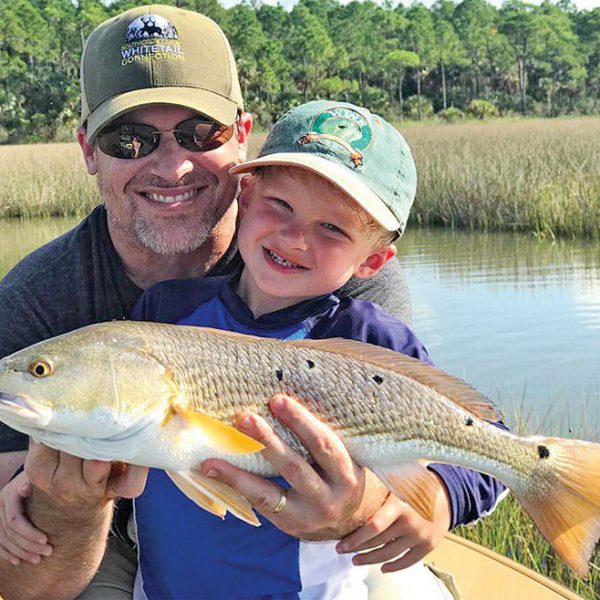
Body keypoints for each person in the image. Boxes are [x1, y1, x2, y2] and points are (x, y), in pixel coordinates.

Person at [0, 5, 417, 599]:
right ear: (89, 150)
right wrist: (63, 508)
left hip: (311, 554)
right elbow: (25, 580)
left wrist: (367, 506)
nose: (172, 166)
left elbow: (409, 437)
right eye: (129, 138)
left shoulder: (338, 273)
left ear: (242, 136)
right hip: (124, 544)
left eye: (202, 133)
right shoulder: (33, 302)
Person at [124, 100, 505, 599]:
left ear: (373, 260)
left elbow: (489, 445)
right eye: (280, 205)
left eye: (332, 229)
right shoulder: (166, 310)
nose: (295, 237)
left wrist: (438, 499)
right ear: (246, 193)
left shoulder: (372, 339)